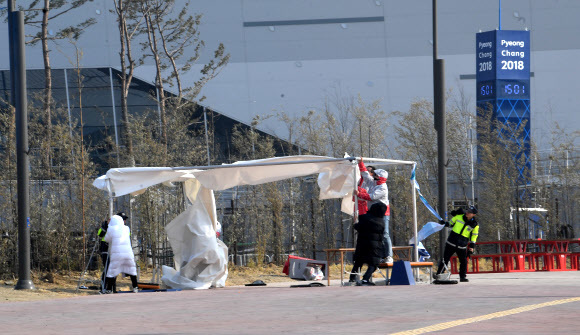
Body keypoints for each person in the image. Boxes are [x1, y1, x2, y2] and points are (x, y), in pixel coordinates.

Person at [356, 159, 393, 263]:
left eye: (375, 174)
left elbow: (371, 197)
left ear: (379, 177)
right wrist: (360, 163)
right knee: (376, 235)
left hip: (383, 214)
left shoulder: (382, 188)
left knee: (385, 234)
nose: (373, 175)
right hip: (374, 213)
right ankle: (380, 256)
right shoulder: (374, 182)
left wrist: (358, 194)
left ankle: (389, 256)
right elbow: (365, 174)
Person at [435, 206, 479, 282]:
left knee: (464, 261)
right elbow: (450, 223)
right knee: (445, 259)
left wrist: (472, 246)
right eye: (467, 211)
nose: (467, 213)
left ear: (473, 214)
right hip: (451, 242)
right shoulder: (458, 216)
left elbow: (474, 236)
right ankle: (439, 274)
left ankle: (462, 277)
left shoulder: (475, 224)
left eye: (469, 212)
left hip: (462, 245)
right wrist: (444, 223)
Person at [349, 202, 387, 285]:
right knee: (374, 263)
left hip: (362, 243)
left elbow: (357, 227)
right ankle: (366, 278)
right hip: (374, 246)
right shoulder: (381, 222)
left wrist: (355, 222)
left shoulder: (364, 218)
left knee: (359, 261)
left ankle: (352, 278)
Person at [103, 212, 139, 293]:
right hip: (128, 253)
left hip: (117, 254)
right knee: (132, 270)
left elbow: (106, 239)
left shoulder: (111, 229)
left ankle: (109, 289)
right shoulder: (126, 228)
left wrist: (107, 226)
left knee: (112, 271)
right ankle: (135, 287)